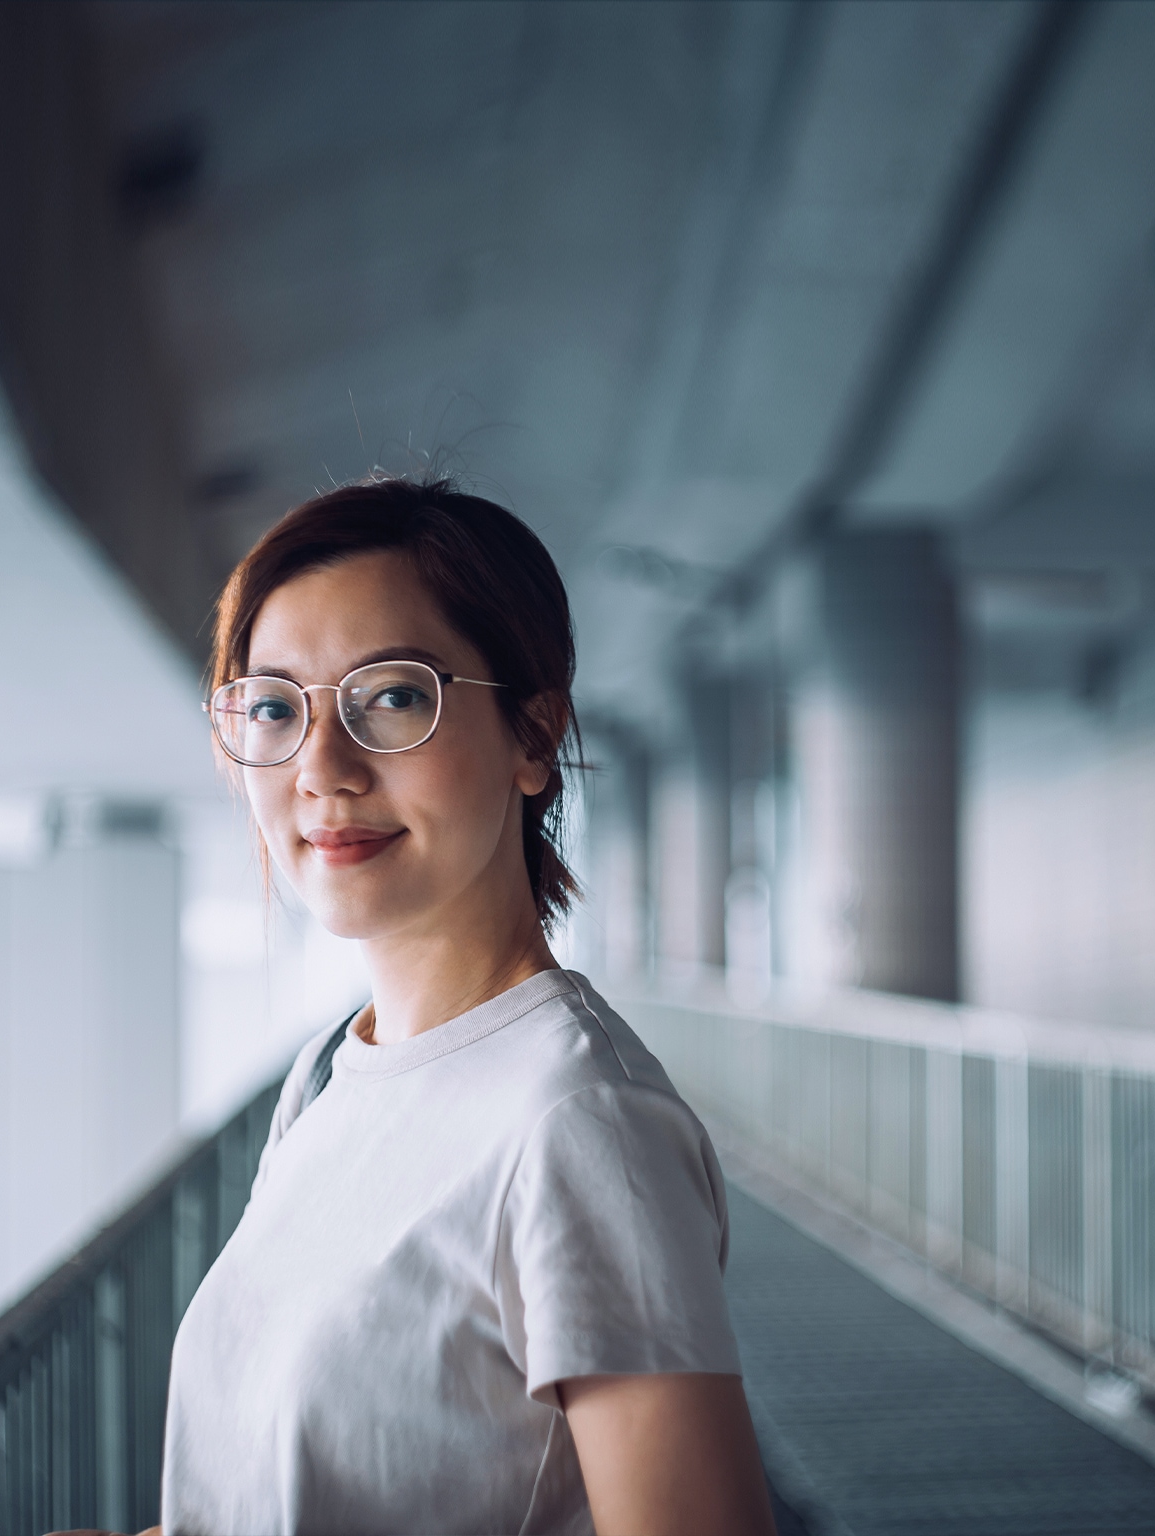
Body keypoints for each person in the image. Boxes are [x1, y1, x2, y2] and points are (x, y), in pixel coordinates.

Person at [161, 477, 773, 1535]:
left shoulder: (579, 1123)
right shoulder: (326, 1079)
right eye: (274, 707)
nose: (322, 769)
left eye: (392, 697)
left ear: (533, 737)